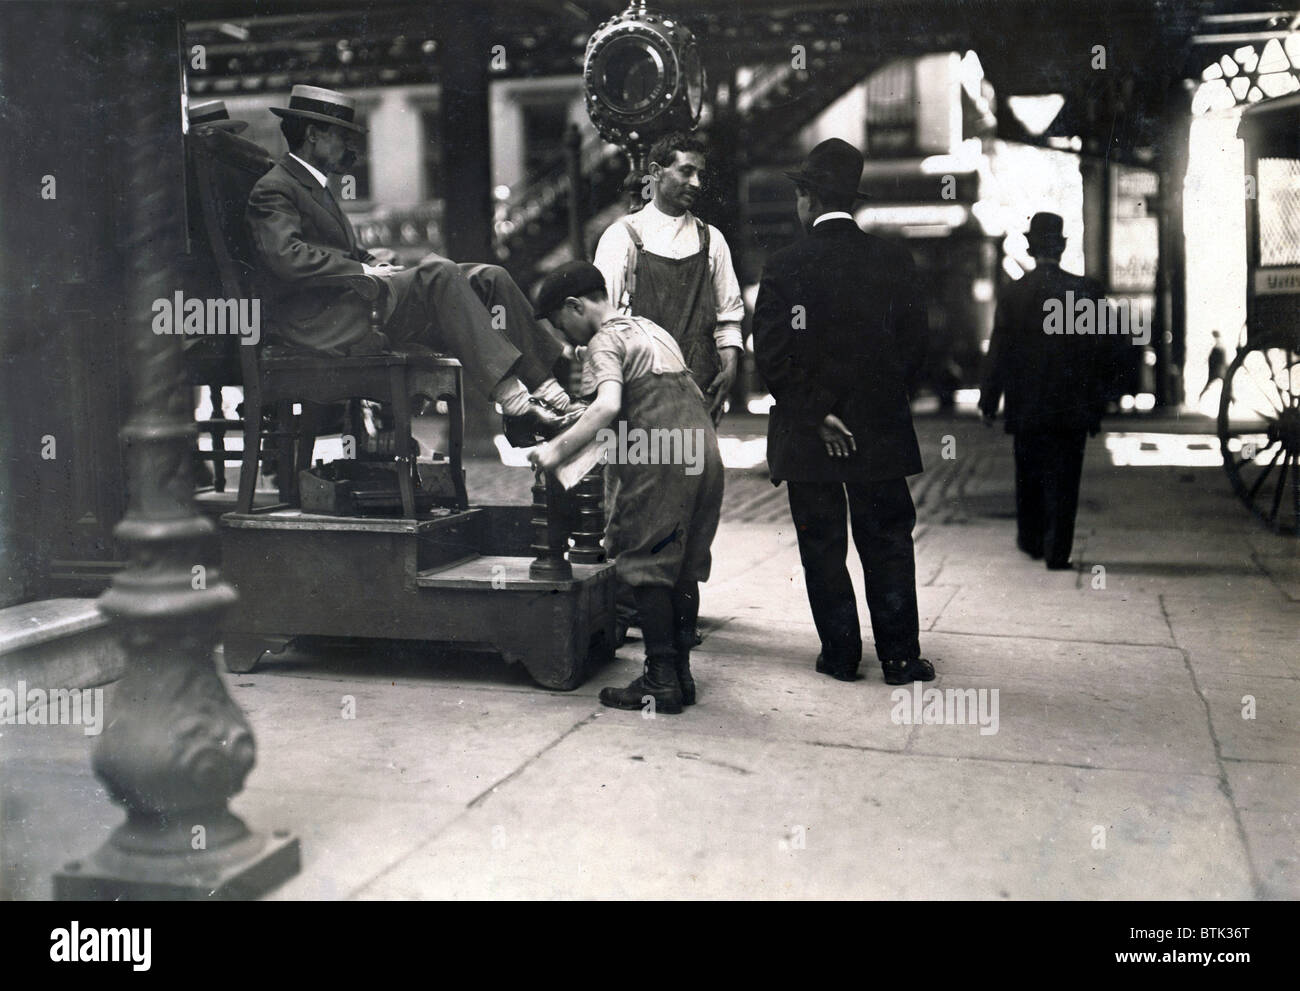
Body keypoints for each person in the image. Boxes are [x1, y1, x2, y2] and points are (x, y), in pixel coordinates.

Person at [246, 85, 580, 444]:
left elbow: (349, 251)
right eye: (341, 136)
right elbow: (285, 256)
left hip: (350, 304)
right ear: (313, 135)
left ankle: (555, 390)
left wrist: (373, 262)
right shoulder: (275, 188)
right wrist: (362, 271)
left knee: (489, 276)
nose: (347, 146)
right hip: (320, 322)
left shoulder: (315, 187)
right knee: (440, 273)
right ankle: (517, 407)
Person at [752, 138, 934, 686]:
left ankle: (841, 655)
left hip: (809, 439)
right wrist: (868, 405)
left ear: (806, 198)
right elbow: (916, 346)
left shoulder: (784, 265)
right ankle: (900, 658)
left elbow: (773, 354)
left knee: (822, 546)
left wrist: (817, 414)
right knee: (888, 543)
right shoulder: (894, 260)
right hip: (877, 434)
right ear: (853, 201)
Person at [528, 261, 724, 714]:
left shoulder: (603, 340)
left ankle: (659, 679)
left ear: (576, 306)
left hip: (660, 455)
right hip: (703, 453)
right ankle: (680, 674)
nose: (566, 337)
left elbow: (607, 406)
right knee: (682, 567)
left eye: (562, 324)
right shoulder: (650, 329)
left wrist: (556, 451)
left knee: (647, 565)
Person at [592, 131, 743, 643]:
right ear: (655, 172)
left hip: (694, 390)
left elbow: (728, 314)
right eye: (685, 171)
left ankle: (676, 614)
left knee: (690, 498)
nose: (696, 182)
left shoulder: (711, 240)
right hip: (637, 393)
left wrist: (731, 361)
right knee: (630, 497)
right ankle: (632, 606)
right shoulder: (621, 237)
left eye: (701, 173)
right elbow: (602, 321)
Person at [979, 212, 1108, 570]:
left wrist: (989, 401)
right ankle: (1058, 551)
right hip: (1071, 407)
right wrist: (1097, 405)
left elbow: (999, 352)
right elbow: (1101, 352)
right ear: (1063, 247)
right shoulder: (1087, 291)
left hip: (1027, 407)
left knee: (1029, 475)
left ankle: (1032, 540)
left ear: (1032, 248)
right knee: (1066, 479)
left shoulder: (1014, 294)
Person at [1198, 330, 1227, 402]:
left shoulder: (1217, 346)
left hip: (1217, 369)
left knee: (1209, 384)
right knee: (1226, 385)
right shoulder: (1220, 345)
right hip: (1218, 369)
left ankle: (1200, 397)